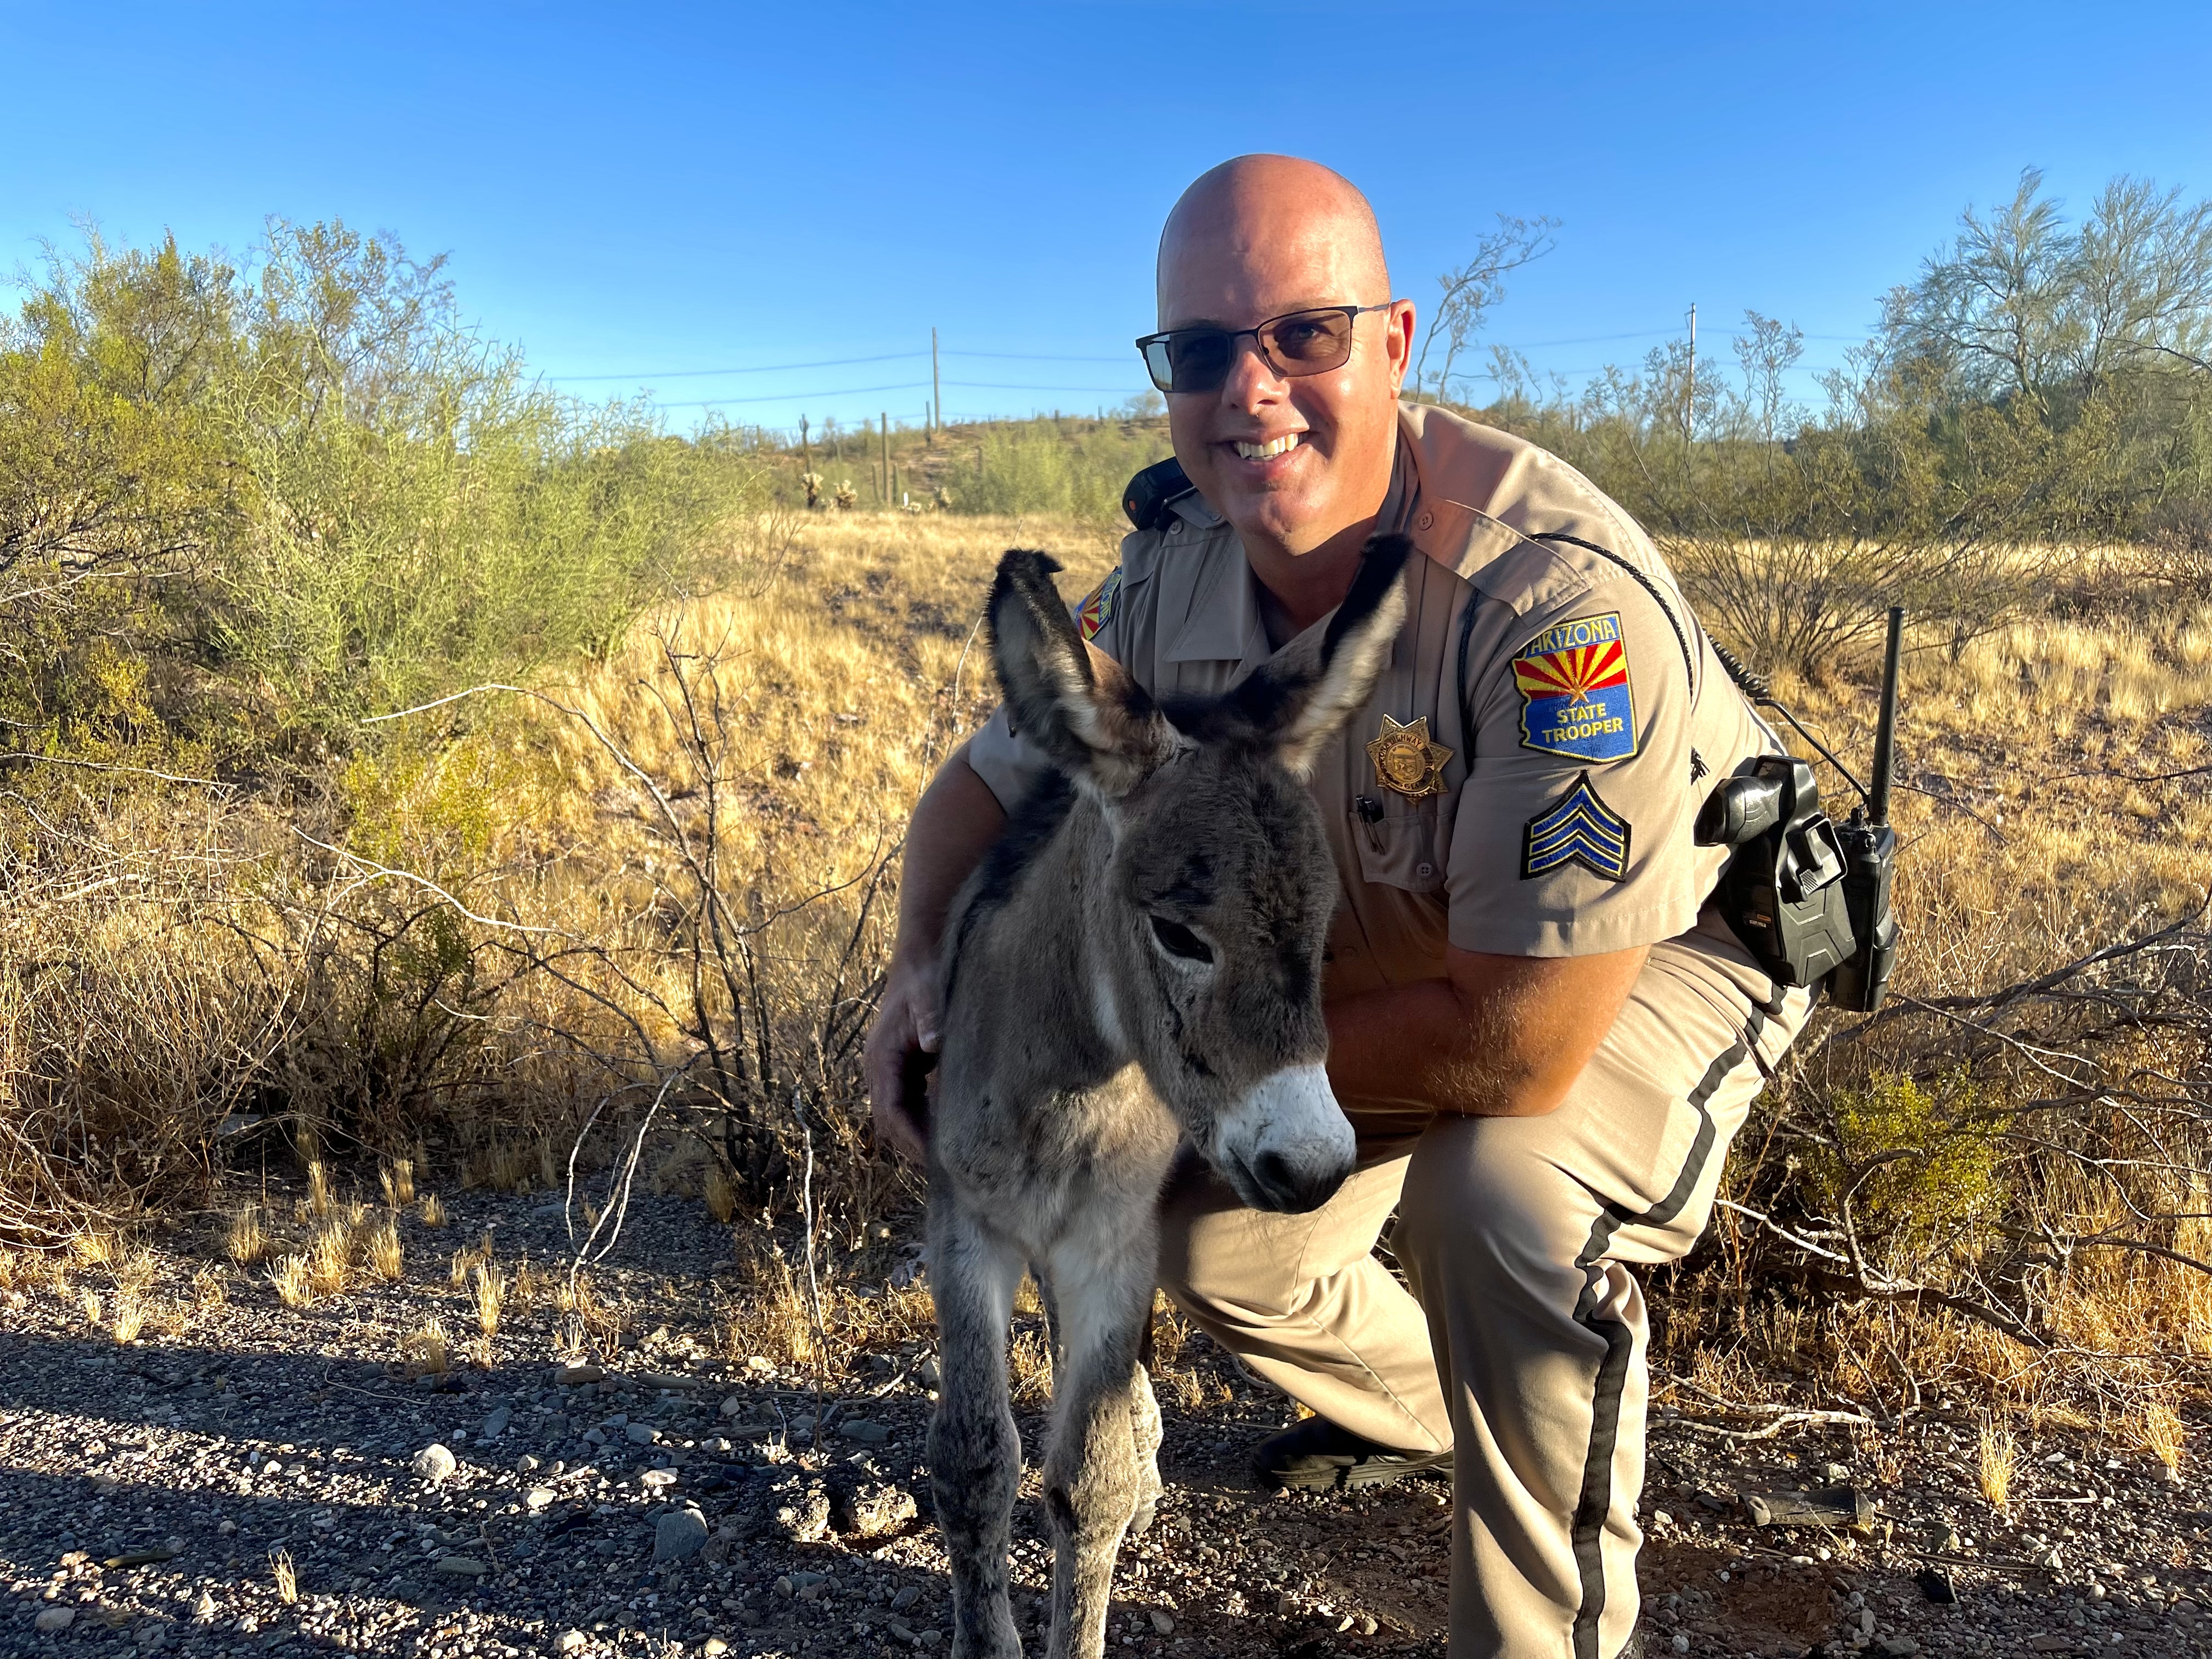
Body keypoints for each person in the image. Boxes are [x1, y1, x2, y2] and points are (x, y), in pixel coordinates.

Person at [864, 154, 1811, 1659]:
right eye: (1201, 351)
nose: (1252, 391)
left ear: (1394, 341)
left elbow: (1520, 1043)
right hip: (1374, 951)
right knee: (1212, 1234)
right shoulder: (1174, 569)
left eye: (1303, 335)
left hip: (1647, 953)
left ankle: (1536, 1623)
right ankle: (1445, 1404)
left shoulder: (1555, 613)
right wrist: (919, 973)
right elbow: (984, 785)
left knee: (1495, 1197)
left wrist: (1174, 1082)